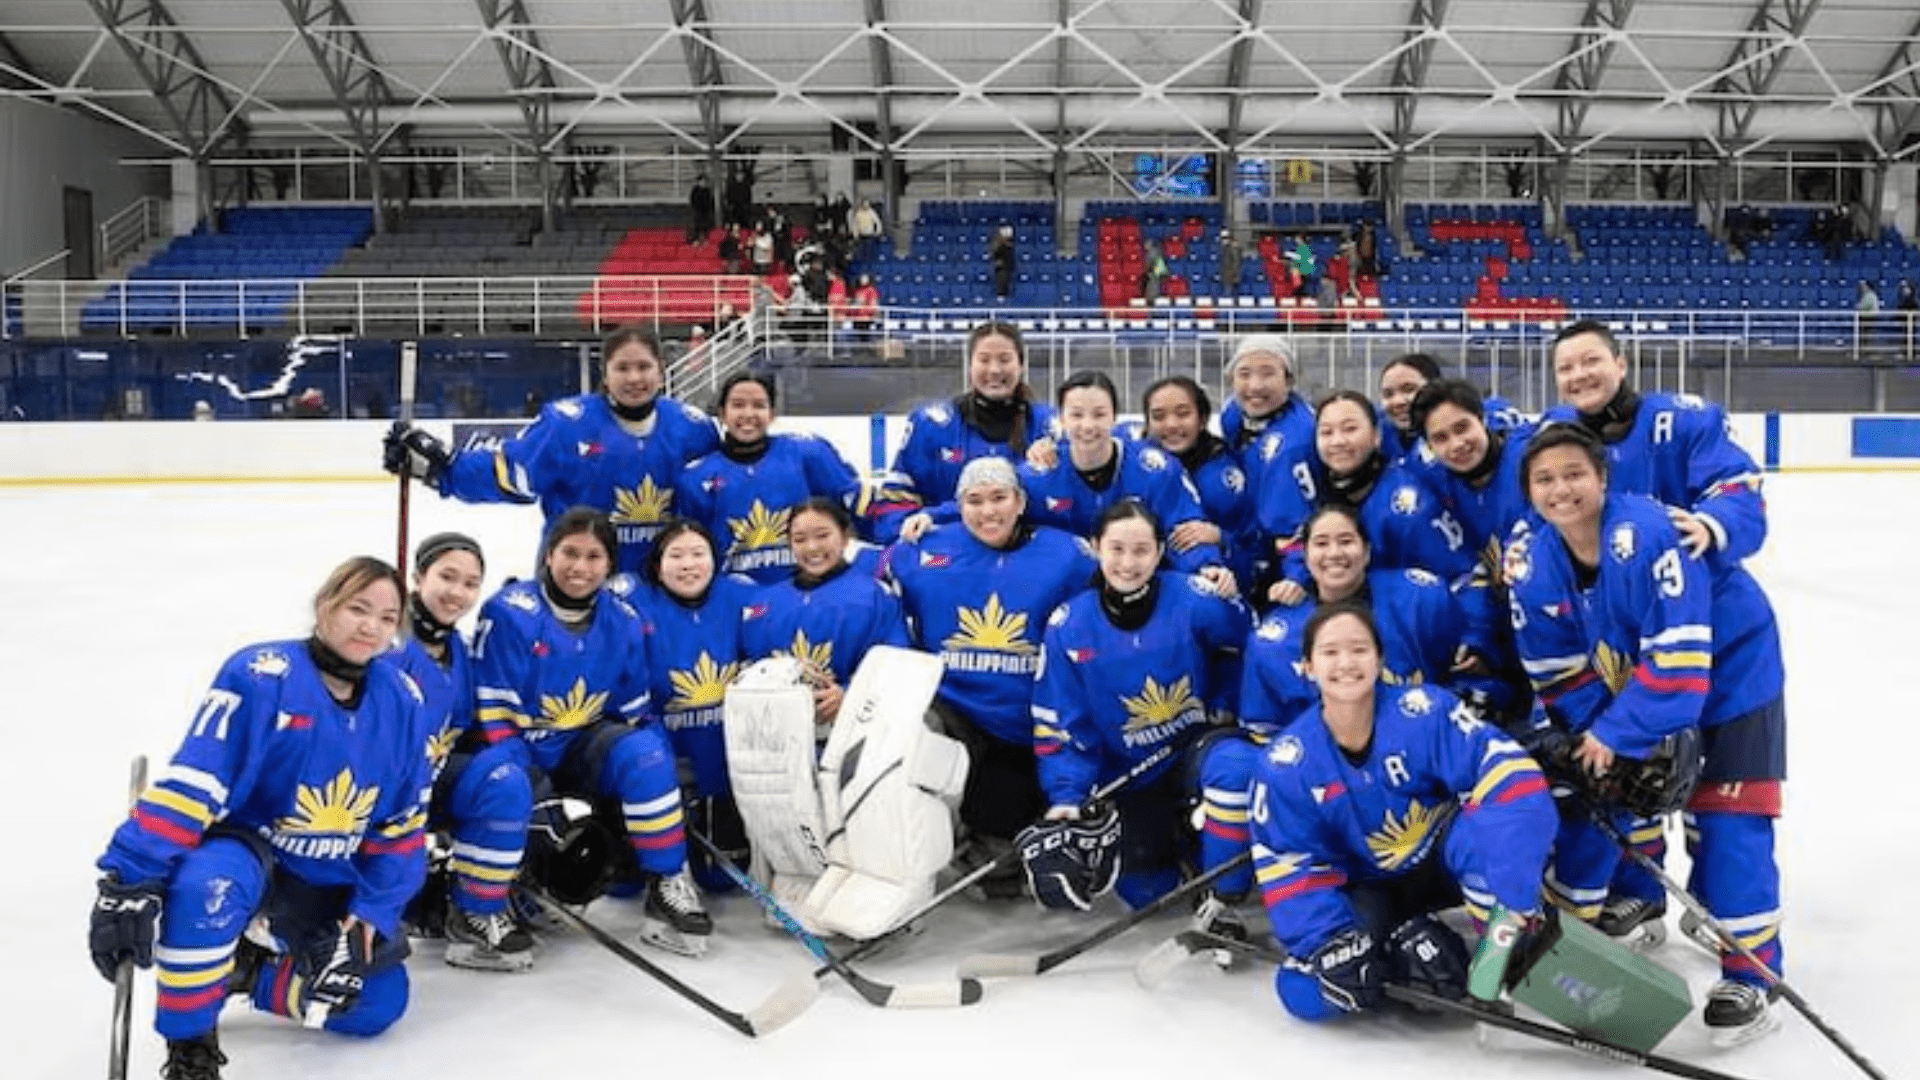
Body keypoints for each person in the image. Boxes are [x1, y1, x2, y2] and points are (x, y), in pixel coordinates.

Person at [89, 557, 432, 1079]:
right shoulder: (261, 675)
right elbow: (195, 782)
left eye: (387, 618)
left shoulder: (402, 700)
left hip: (324, 874)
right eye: (357, 609)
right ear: (324, 606)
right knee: (209, 890)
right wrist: (131, 875)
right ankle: (191, 1045)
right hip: (248, 850)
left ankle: (242, 972)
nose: (370, 627)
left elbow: (402, 826)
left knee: (377, 1003)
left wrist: (370, 915)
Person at [1506, 424, 1788, 1043]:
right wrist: (1596, 737)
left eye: (1575, 474)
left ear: (1604, 478)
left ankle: (1751, 971)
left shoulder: (1649, 532)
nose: (1562, 489)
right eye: (1545, 479)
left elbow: (1679, 661)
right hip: (1634, 686)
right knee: (1620, 786)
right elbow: (1553, 666)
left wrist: (1617, 732)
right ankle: (1642, 899)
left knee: (1726, 819)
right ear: (1527, 492)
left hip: (1733, 672)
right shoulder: (1530, 560)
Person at [1246, 601, 1556, 1022]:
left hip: (1442, 861)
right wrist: (1329, 944)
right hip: (1368, 886)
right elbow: (1287, 865)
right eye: (1330, 652)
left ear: (1380, 659)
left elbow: (1512, 781)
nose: (1346, 663)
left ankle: (1504, 948)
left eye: (1358, 649)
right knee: (1303, 992)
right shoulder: (1285, 764)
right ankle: (1407, 960)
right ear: (1307, 667)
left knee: (1485, 835)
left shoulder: (1425, 711)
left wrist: (1514, 883)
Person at [1189, 505, 1472, 939]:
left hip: (1416, 778)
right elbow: (1267, 736)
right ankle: (1226, 899)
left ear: (1367, 549)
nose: (1334, 553)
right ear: (1303, 553)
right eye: (1321, 543)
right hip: (1335, 788)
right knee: (1232, 764)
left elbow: (1453, 667)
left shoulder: (1420, 597)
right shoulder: (1274, 637)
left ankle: (1510, 930)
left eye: (1346, 541)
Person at [469, 508, 712, 956]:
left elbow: (634, 714)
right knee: (514, 794)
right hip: (515, 749)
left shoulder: (622, 618)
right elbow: (492, 714)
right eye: (569, 553)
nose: (580, 568)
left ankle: (666, 882)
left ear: (609, 565)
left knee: (647, 756)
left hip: (581, 744)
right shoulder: (510, 614)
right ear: (548, 556)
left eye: (594, 557)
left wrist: (660, 787)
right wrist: (533, 793)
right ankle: (493, 893)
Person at [884, 457, 1098, 893]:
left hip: (1024, 723)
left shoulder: (1069, 555)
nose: (988, 512)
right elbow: (864, 588)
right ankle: (903, 856)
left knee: (1000, 874)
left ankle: (987, 836)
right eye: (974, 501)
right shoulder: (920, 550)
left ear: (1020, 501)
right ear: (959, 506)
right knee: (905, 742)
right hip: (954, 713)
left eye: (999, 498)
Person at [1027, 502, 1251, 908]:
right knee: (1148, 893)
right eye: (1116, 549)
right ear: (1096, 548)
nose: (1128, 563)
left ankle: (1224, 892)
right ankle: (1182, 848)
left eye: (1141, 550)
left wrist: (1223, 703)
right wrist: (1067, 797)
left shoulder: (1194, 598)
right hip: (1131, 774)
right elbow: (1060, 722)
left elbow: (1244, 648)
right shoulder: (1068, 626)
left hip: (1195, 751)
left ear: (1160, 551)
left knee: (1233, 767)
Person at [382, 326, 720, 575]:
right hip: (578, 581)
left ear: (661, 371)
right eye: (622, 368)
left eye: (644, 367)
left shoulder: (693, 429)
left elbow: (726, 489)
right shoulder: (566, 424)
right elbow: (511, 475)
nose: (634, 378)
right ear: (605, 373)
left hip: (661, 588)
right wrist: (442, 468)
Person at [902, 371, 1237, 591]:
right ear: (1060, 419)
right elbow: (991, 499)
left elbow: (1185, 530)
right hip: (1067, 595)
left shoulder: (1156, 469)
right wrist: (934, 515)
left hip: (1140, 586)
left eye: (1099, 414)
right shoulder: (1040, 472)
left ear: (1115, 417)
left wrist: (1207, 567)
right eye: (1076, 415)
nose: (1087, 425)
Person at [385, 534, 537, 972]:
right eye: (446, 577)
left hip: (434, 781)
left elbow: (470, 731)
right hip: (383, 797)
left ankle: (477, 909)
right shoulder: (386, 649)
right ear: (416, 578)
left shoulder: (460, 650)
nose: (458, 593)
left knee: (508, 779)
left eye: (471, 583)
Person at [616, 520, 755, 893]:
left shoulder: (739, 595)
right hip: (659, 752)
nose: (688, 564)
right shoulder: (633, 604)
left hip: (723, 757)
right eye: (676, 555)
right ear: (658, 564)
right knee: (627, 883)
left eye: (698, 554)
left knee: (721, 879)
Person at [1261, 390, 1474, 602]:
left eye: (1350, 429)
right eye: (1326, 432)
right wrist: (1296, 580)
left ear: (1376, 436)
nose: (1338, 441)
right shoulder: (1311, 485)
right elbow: (1296, 544)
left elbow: (1461, 576)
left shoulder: (1406, 505)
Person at [739, 498, 911, 734]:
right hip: (777, 738)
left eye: (822, 535)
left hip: (853, 733)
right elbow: (746, 665)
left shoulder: (874, 595)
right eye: (800, 539)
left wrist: (850, 695)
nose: (812, 547)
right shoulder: (763, 602)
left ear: (844, 537)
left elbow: (896, 662)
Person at [678, 373, 863, 584]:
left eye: (759, 405)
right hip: (736, 601)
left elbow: (853, 503)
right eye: (738, 405)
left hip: (805, 594)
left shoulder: (807, 453)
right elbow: (689, 545)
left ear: (772, 413)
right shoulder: (696, 477)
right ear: (722, 413)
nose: (748, 414)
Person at [884, 321, 1056, 527]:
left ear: (1021, 365)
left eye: (1004, 359)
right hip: (945, 556)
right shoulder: (931, 425)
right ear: (970, 365)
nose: (994, 369)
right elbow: (893, 506)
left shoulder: (1050, 427)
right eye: (984, 360)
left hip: (1022, 553)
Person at [1138, 376, 1259, 590]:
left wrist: (1221, 537)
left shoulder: (1227, 474)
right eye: (1159, 416)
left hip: (1220, 583)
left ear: (1202, 419)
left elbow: (1255, 541)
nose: (1172, 424)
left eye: (1183, 414)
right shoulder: (1135, 464)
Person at [989, 225, 1017, 300]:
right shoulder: (997, 244)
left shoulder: (1009, 247)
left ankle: (1004, 292)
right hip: (1001, 266)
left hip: (1007, 265)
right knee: (1001, 275)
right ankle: (1001, 293)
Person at [1219, 230, 1242, 300]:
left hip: (1230, 274)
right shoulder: (1225, 248)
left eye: (1226, 237)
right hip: (1227, 274)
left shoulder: (1232, 247)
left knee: (1229, 292)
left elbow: (1236, 261)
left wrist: (1234, 274)